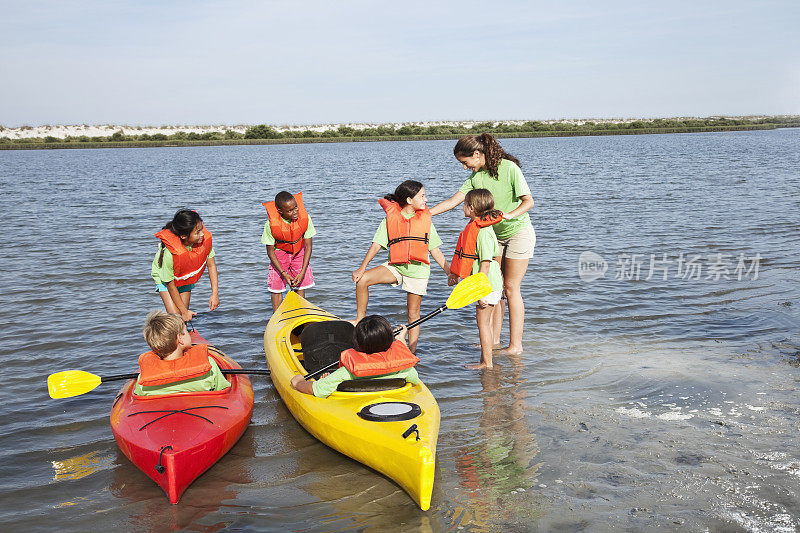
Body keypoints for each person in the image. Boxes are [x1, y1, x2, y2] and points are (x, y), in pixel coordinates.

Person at [430, 133, 535, 356]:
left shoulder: (509, 168)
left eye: (465, 162)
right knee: (495, 287)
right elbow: (452, 201)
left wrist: (509, 215)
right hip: (492, 237)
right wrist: (424, 215)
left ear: (477, 154)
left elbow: (529, 201)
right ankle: (494, 340)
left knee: (510, 287)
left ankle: (516, 346)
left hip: (518, 232)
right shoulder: (475, 177)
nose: (464, 167)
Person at [352, 180, 449, 352]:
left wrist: (449, 273)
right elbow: (376, 244)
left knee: (413, 314)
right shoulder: (391, 218)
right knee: (363, 280)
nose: (426, 200)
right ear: (409, 200)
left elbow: (435, 251)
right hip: (396, 267)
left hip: (417, 271)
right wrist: (362, 268)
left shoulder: (425, 220)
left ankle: (411, 352)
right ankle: (360, 320)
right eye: (422, 196)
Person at [290, 317, 419, 398]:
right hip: (387, 400)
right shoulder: (405, 370)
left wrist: (298, 383)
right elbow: (415, 380)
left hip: (353, 404)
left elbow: (317, 390)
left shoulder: (345, 373)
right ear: (390, 343)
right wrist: (401, 342)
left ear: (356, 344)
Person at [448, 189, 504, 369]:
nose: (462, 207)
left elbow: (486, 264)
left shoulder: (483, 232)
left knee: (483, 324)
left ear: (471, 208)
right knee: (483, 323)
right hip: (487, 284)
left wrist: (481, 293)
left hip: (488, 285)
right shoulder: (477, 228)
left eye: (464, 204)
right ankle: (484, 360)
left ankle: (487, 363)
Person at [134, 310, 230, 396]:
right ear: (180, 338)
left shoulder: (144, 377)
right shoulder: (209, 364)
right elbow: (223, 390)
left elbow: (138, 397)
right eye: (186, 331)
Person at [152, 209, 219, 322]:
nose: (202, 234)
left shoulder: (204, 241)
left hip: (184, 276)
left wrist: (215, 294)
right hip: (166, 280)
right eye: (197, 232)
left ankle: (184, 333)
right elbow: (170, 284)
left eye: (201, 229)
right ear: (183, 236)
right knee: (177, 318)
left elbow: (211, 265)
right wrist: (183, 312)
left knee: (184, 320)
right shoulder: (170, 254)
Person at [262, 191, 316, 312]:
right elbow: (270, 252)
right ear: (281, 212)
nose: (295, 212)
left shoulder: (305, 219)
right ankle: (277, 318)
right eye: (290, 210)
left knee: (299, 284)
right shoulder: (270, 225)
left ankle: (300, 313)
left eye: (295, 207)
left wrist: (302, 271)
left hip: (299, 252)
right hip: (279, 254)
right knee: (276, 288)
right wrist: (283, 273)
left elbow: (308, 246)